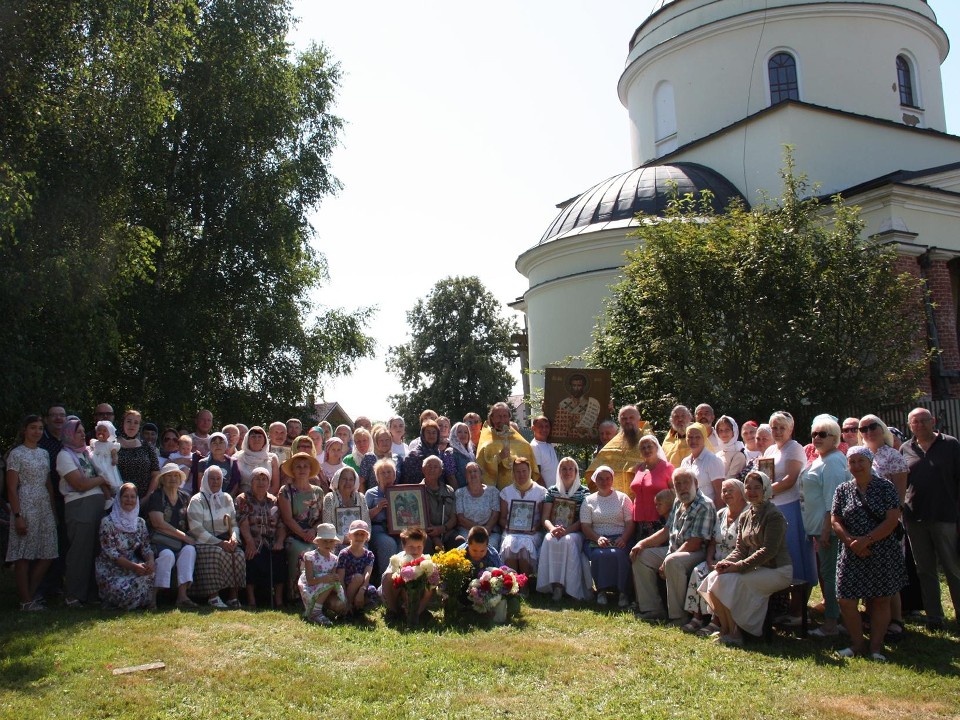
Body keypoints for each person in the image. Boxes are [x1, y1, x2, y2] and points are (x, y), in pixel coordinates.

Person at [698, 470, 793, 646]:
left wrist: (738, 567)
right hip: (756, 567)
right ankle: (726, 629)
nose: (752, 492)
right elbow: (741, 549)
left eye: (757, 488)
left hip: (777, 570)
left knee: (734, 582)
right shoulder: (746, 516)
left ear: (765, 489)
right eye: (748, 488)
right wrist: (726, 563)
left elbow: (768, 551)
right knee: (714, 578)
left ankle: (738, 632)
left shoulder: (774, 515)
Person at [832, 446, 906, 661]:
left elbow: (892, 519)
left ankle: (875, 647)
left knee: (881, 599)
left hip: (881, 549)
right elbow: (835, 519)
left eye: (860, 461)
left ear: (870, 462)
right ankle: (857, 644)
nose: (856, 466)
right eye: (852, 462)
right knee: (845, 599)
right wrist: (851, 542)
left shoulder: (885, 487)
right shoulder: (842, 490)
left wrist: (867, 540)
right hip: (851, 550)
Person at [900, 407, 960, 630]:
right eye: (915, 422)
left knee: (953, 568)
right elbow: (903, 483)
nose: (920, 425)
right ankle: (935, 616)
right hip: (915, 518)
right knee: (924, 569)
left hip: (945, 516)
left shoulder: (950, 444)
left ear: (933, 421)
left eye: (924, 421)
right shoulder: (906, 448)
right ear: (910, 425)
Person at [631, 468, 714, 623]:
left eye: (686, 482)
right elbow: (666, 531)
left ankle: (679, 617)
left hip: (697, 553)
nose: (682, 487)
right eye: (678, 483)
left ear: (695, 483)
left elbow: (695, 543)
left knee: (672, 562)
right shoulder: (678, 501)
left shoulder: (704, 505)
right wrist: (642, 543)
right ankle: (653, 609)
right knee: (640, 556)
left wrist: (669, 556)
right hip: (675, 549)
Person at [763, 410, 817, 622]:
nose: (777, 431)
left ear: (791, 429)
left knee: (795, 556)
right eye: (774, 427)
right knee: (778, 557)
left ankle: (798, 610)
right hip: (773, 507)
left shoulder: (794, 448)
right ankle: (783, 606)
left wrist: (763, 492)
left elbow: (790, 479)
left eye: (781, 427)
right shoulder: (770, 449)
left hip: (791, 507)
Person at [799, 416, 850, 637]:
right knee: (827, 573)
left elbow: (834, 498)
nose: (817, 438)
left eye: (823, 434)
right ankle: (837, 617)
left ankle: (832, 623)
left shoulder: (833, 461)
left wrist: (828, 528)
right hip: (817, 528)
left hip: (827, 529)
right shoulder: (820, 458)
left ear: (835, 438)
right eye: (814, 434)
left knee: (830, 575)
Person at [57, 418, 112, 607]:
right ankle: (73, 594)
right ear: (68, 434)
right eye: (78, 432)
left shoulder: (87, 453)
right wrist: (101, 479)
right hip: (79, 506)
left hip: (97, 505)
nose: (83, 434)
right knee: (80, 550)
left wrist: (102, 482)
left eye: (83, 431)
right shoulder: (64, 456)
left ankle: (91, 594)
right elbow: (79, 484)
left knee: (96, 550)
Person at [682, 479, 747, 635]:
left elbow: (745, 547)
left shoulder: (747, 514)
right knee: (699, 570)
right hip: (716, 559)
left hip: (735, 562)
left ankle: (716, 621)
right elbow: (712, 542)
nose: (726, 494)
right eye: (724, 491)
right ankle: (697, 618)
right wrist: (710, 560)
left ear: (741, 492)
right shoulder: (720, 514)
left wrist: (724, 563)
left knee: (717, 577)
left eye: (731, 490)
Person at [6, 414, 57, 610]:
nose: (37, 431)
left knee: (48, 552)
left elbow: (48, 484)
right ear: (24, 430)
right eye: (33, 427)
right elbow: (11, 488)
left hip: (43, 503)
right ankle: (25, 600)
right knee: (24, 554)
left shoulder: (44, 453)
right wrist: (18, 515)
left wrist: (53, 511)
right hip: (25, 503)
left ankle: (30, 593)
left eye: (40, 428)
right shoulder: (16, 454)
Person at [187, 466, 245, 609]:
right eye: (212, 479)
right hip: (204, 541)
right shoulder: (197, 500)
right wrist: (219, 543)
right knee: (215, 553)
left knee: (238, 554)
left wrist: (233, 538)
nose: (215, 482)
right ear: (205, 480)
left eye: (218, 479)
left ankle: (233, 596)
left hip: (224, 539)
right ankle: (213, 596)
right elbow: (196, 529)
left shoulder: (226, 498)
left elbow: (234, 523)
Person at [537, 457, 592, 601]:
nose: (567, 472)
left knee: (566, 541)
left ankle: (570, 587)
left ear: (576, 472)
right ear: (559, 471)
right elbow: (545, 518)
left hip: (575, 532)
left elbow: (583, 520)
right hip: (554, 530)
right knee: (550, 539)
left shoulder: (584, 492)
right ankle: (555, 586)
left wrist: (566, 531)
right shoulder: (552, 491)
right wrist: (552, 529)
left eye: (570, 469)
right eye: (564, 469)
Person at [95, 483, 155, 610]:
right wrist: (134, 567)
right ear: (119, 499)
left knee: (153, 575)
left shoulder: (140, 523)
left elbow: (146, 547)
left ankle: (139, 602)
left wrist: (150, 562)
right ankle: (129, 602)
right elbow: (111, 553)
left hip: (134, 567)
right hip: (111, 569)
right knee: (124, 591)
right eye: (125, 497)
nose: (129, 500)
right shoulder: (108, 522)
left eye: (133, 497)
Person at [581, 465, 634, 607]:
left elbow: (630, 523)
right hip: (596, 538)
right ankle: (601, 591)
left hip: (620, 537)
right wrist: (597, 538)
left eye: (607, 478)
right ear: (595, 480)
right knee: (599, 555)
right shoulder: (588, 500)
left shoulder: (623, 498)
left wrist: (624, 538)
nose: (604, 482)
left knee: (619, 555)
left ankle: (623, 592)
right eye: (600, 479)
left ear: (612, 479)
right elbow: (585, 526)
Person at [146, 463, 197, 608]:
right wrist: (184, 537)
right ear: (162, 479)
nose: (173, 478)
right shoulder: (156, 496)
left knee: (189, 550)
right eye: (168, 475)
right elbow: (158, 524)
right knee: (167, 555)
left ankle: (182, 596)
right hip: (160, 541)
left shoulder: (185, 497)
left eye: (176, 475)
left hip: (179, 542)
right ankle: (153, 597)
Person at [236, 466, 286, 608]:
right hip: (252, 540)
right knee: (251, 555)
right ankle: (251, 600)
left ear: (269, 483)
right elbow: (243, 522)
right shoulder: (243, 499)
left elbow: (281, 524)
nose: (261, 482)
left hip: (271, 540)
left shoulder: (273, 500)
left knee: (280, 556)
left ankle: (279, 600)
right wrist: (250, 542)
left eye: (264, 479)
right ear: (251, 482)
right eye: (257, 479)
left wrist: (280, 541)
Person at [278, 451, 325, 596]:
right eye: (298, 467)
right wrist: (303, 534)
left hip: (313, 534)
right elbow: (287, 519)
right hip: (293, 534)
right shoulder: (285, 491)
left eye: (305, 466)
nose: (302, 469)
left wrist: (313, 531)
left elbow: (322, 518)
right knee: (301, 551)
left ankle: (319, 592)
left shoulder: (318, 492)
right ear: (292, 470)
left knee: (323, 552)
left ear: (310, 470)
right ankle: (295, 594)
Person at [499, 457, 547, 579]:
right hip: (511, 531)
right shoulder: (506, 492)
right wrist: (509, 527)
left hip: (532, 533)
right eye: (518, 471)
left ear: (529, 471)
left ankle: (524, 584)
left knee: (525, 547)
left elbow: (543, 518)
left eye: (524, 471)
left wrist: (534, 528)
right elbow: (502, 518)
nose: (521, 475)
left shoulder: (540, 492)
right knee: (510, 544)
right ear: (513, 473)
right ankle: (512, 583)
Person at [586, 405, 647, 498]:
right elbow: (594, 472)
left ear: (638, 419)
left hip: (641, 497)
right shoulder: (612, 444)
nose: (628, 421)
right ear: (620, 421)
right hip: (615, 500)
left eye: (631, 418)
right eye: (624, 418)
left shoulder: (648, 441)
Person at [476, 402, 540, 490]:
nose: (502, 419)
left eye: (505, 416)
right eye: (498, 416)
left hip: (521, 490)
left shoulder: (521, 442)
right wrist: (498, 458)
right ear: (492, 418)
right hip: (498, 491)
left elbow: (531, 468)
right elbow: (481, 469)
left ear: (509, 417)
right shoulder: (487, 441)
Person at [379, 527, 435, 620]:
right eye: (411, 547)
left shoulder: (426, 561)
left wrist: (418, 610)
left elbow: (430, 588)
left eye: (419, 547)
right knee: (389, 575)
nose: (415, 551)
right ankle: (394, 611)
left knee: (431, 579)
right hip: (395, 594)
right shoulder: (398, 558)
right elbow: (386, 580)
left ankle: (418, 611)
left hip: (416, 596)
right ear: (403, 546)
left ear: (423, 547)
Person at [298, 523, 347, 626]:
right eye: (325, 541)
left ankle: (328, 608)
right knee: (329, 582)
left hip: (325, 585)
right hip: (312, 585)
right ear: (318, 542)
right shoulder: (310, 556)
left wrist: (335, 578)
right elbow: (310, 580)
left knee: (337, 595)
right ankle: (315, 612)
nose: (328, 544)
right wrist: (325, 578)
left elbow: (332, 578)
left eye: (331, 541)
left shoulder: (334, 559)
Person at [630, 434, 675, 540]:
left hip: (659, 518)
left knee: (653, 551)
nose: (646, 450)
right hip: (639, 519)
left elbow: (674, 493)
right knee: (639, 552)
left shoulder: (667, 467)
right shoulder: (638, 468)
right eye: (643, 448)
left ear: (656, 447)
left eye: (649, 446)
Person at [366, 458, 402, 580]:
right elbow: (364, 517)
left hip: (399, 529)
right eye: (382, 473)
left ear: (394, 474)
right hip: (379, 529)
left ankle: (404, 580)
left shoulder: (402, 492)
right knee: (388, 544)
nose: (386, 475)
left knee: (406, 542)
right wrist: (377, 508)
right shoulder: (371, 494)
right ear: (377, 476)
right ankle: (386, 582)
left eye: (389, 472)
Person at [454, 461, 502, 550]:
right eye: (469, 472)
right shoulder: (460, 493)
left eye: (475, 471)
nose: (472, 474)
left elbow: (495, 514)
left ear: (481, 474)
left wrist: (487, 529)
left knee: (491, 547)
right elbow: (461, 518)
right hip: (467, 530)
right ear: (466, 476)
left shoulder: (493, 491)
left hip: (489, 530)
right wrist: (478, 530)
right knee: (466, 548)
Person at [116, 409, 160, 503]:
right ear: (122, 423)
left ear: (139, 426)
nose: (132, 425)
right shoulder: (112, 445)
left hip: (143, 500)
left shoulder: (147, 447)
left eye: (136, 422)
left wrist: (147, 497)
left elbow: (156, 474)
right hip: (118, 499)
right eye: (129, 421)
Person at [322, 466, 371, 550]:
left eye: (351, 479)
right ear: (338, 480)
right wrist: (342, 539)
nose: (348, 482)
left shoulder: (361, 497)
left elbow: (367, 523)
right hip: (335, 542)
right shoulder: (330, 498)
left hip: (359, 541)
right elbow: (327, 525)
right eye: (344, 479)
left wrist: (360, 538)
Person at [336, 520, 378, 614]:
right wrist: (344, 597)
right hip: (347, 586)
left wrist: (361, 591)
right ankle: (348, 606)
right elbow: (340, 578)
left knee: (372, 591)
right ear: (350, 536)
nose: (359, 537)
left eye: (362, 534)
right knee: (358, 577)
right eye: (356, 534)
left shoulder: (369, 555)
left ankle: (357, 608)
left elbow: (367, 574)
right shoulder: (344, 553)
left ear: (367, 537)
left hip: (361, 585)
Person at [679, 422, 725, 509]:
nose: (693, 440)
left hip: (707, 511)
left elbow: (719, 493)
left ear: (704, 438)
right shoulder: (685, 462)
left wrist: (717, 517)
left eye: (697, 437)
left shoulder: (712, 460)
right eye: (690, 437)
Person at [403, 420, 457, 487]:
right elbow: (408, 480)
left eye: (434, 433)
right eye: (428, 432)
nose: (431, 435)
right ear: (423, 435)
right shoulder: (413, 455)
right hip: (420, 493)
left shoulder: (440, 454)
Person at [421, 455, 458, 552]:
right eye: (429, 466)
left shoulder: (449, 490)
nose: (432, 469)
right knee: (425, 543)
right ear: (423, 469)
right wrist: (435, 538)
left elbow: (453, 518)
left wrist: (441, 529)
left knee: (459, 541)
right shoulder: (416, 491)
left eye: (436, 467)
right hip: (426, 533)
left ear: (441, 472)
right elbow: (418, 520)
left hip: (446, 531)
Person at [233, 425, 281, 497]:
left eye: (260, 437)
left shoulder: (272, 458)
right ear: (247, 440)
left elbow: (275, 486)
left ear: (265, 440)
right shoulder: (237, 457)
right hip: (243, 500)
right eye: (253, 437)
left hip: (266, 501)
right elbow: (234, 485)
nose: (256, 439)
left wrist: (262, 498)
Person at [553, 372, 601, 440]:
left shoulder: (591, 405)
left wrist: (586, 430)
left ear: (584, 386)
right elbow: (557, 429)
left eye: (579, 385)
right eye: (574, 385)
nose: (576, 388)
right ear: (570, 386)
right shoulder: (563, 404)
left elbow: (596, 431)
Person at [192, 431, 240, 496]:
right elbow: (200, 485)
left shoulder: (232, 462)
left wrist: (227, 499)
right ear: (209, 445)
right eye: (214, 443)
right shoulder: (203, 462)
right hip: (207, 499)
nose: (218, 445)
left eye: (221, 443)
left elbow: (235, 484)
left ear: (225, 445)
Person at [89, 420, 123, 508]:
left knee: (107, 482)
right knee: (101, 482)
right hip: (96, 464)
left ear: (109, 434)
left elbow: (114, 454)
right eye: (99, 430)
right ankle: (108, 498)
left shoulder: (110, 445)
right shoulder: (94, 443)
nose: (101, 432)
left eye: (104, 431)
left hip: (106, 466)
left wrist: (115, 459)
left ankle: (110, 498)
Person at [530, 416, 558, 489]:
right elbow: (536, 474)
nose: (544, 429)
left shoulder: (549, 445)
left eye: (547, 426)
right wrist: (546, 492)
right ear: (533, 428)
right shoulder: (535, 446)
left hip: (554, 491)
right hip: (545, 492)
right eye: (540, 427)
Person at [714, 415, 746, 480]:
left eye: (727, 430)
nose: (724, 433)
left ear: (733, 431)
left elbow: (730, 479)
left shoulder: (738, 455)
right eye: (720, 430)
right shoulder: (718, 454)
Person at [446, 421, 476, 490]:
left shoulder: (471, 453)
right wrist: (459, 494)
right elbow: (451, 477)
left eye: (466, 432)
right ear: (454, 434)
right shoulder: (449, 453)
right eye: (459, 432)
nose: (463, 434)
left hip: (473, 491)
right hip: (460, 492)